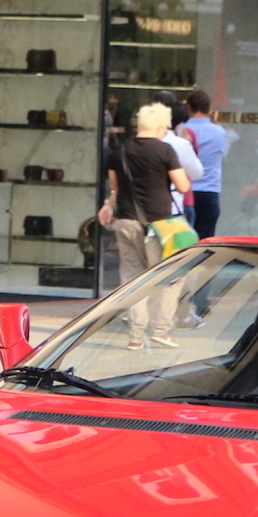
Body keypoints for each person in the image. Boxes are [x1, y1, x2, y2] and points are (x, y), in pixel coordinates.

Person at [99, 101, 190, 347]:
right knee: (170, 277)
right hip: (158, 225)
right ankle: (161, 331)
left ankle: (136, 337)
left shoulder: (120, 151)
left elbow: (116, 188)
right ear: (160, 126)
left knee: (133, 279)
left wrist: (108, 204)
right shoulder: (165, 150)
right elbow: (183, 186)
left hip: (126, 223)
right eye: (165, 127)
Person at [181, 88, 233, 241]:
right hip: (210, 192)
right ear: (208, 108)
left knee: (183, 244)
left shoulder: (182, 131)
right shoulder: (220, 132)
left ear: (189, 107)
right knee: (205, 243)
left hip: (187, 193)